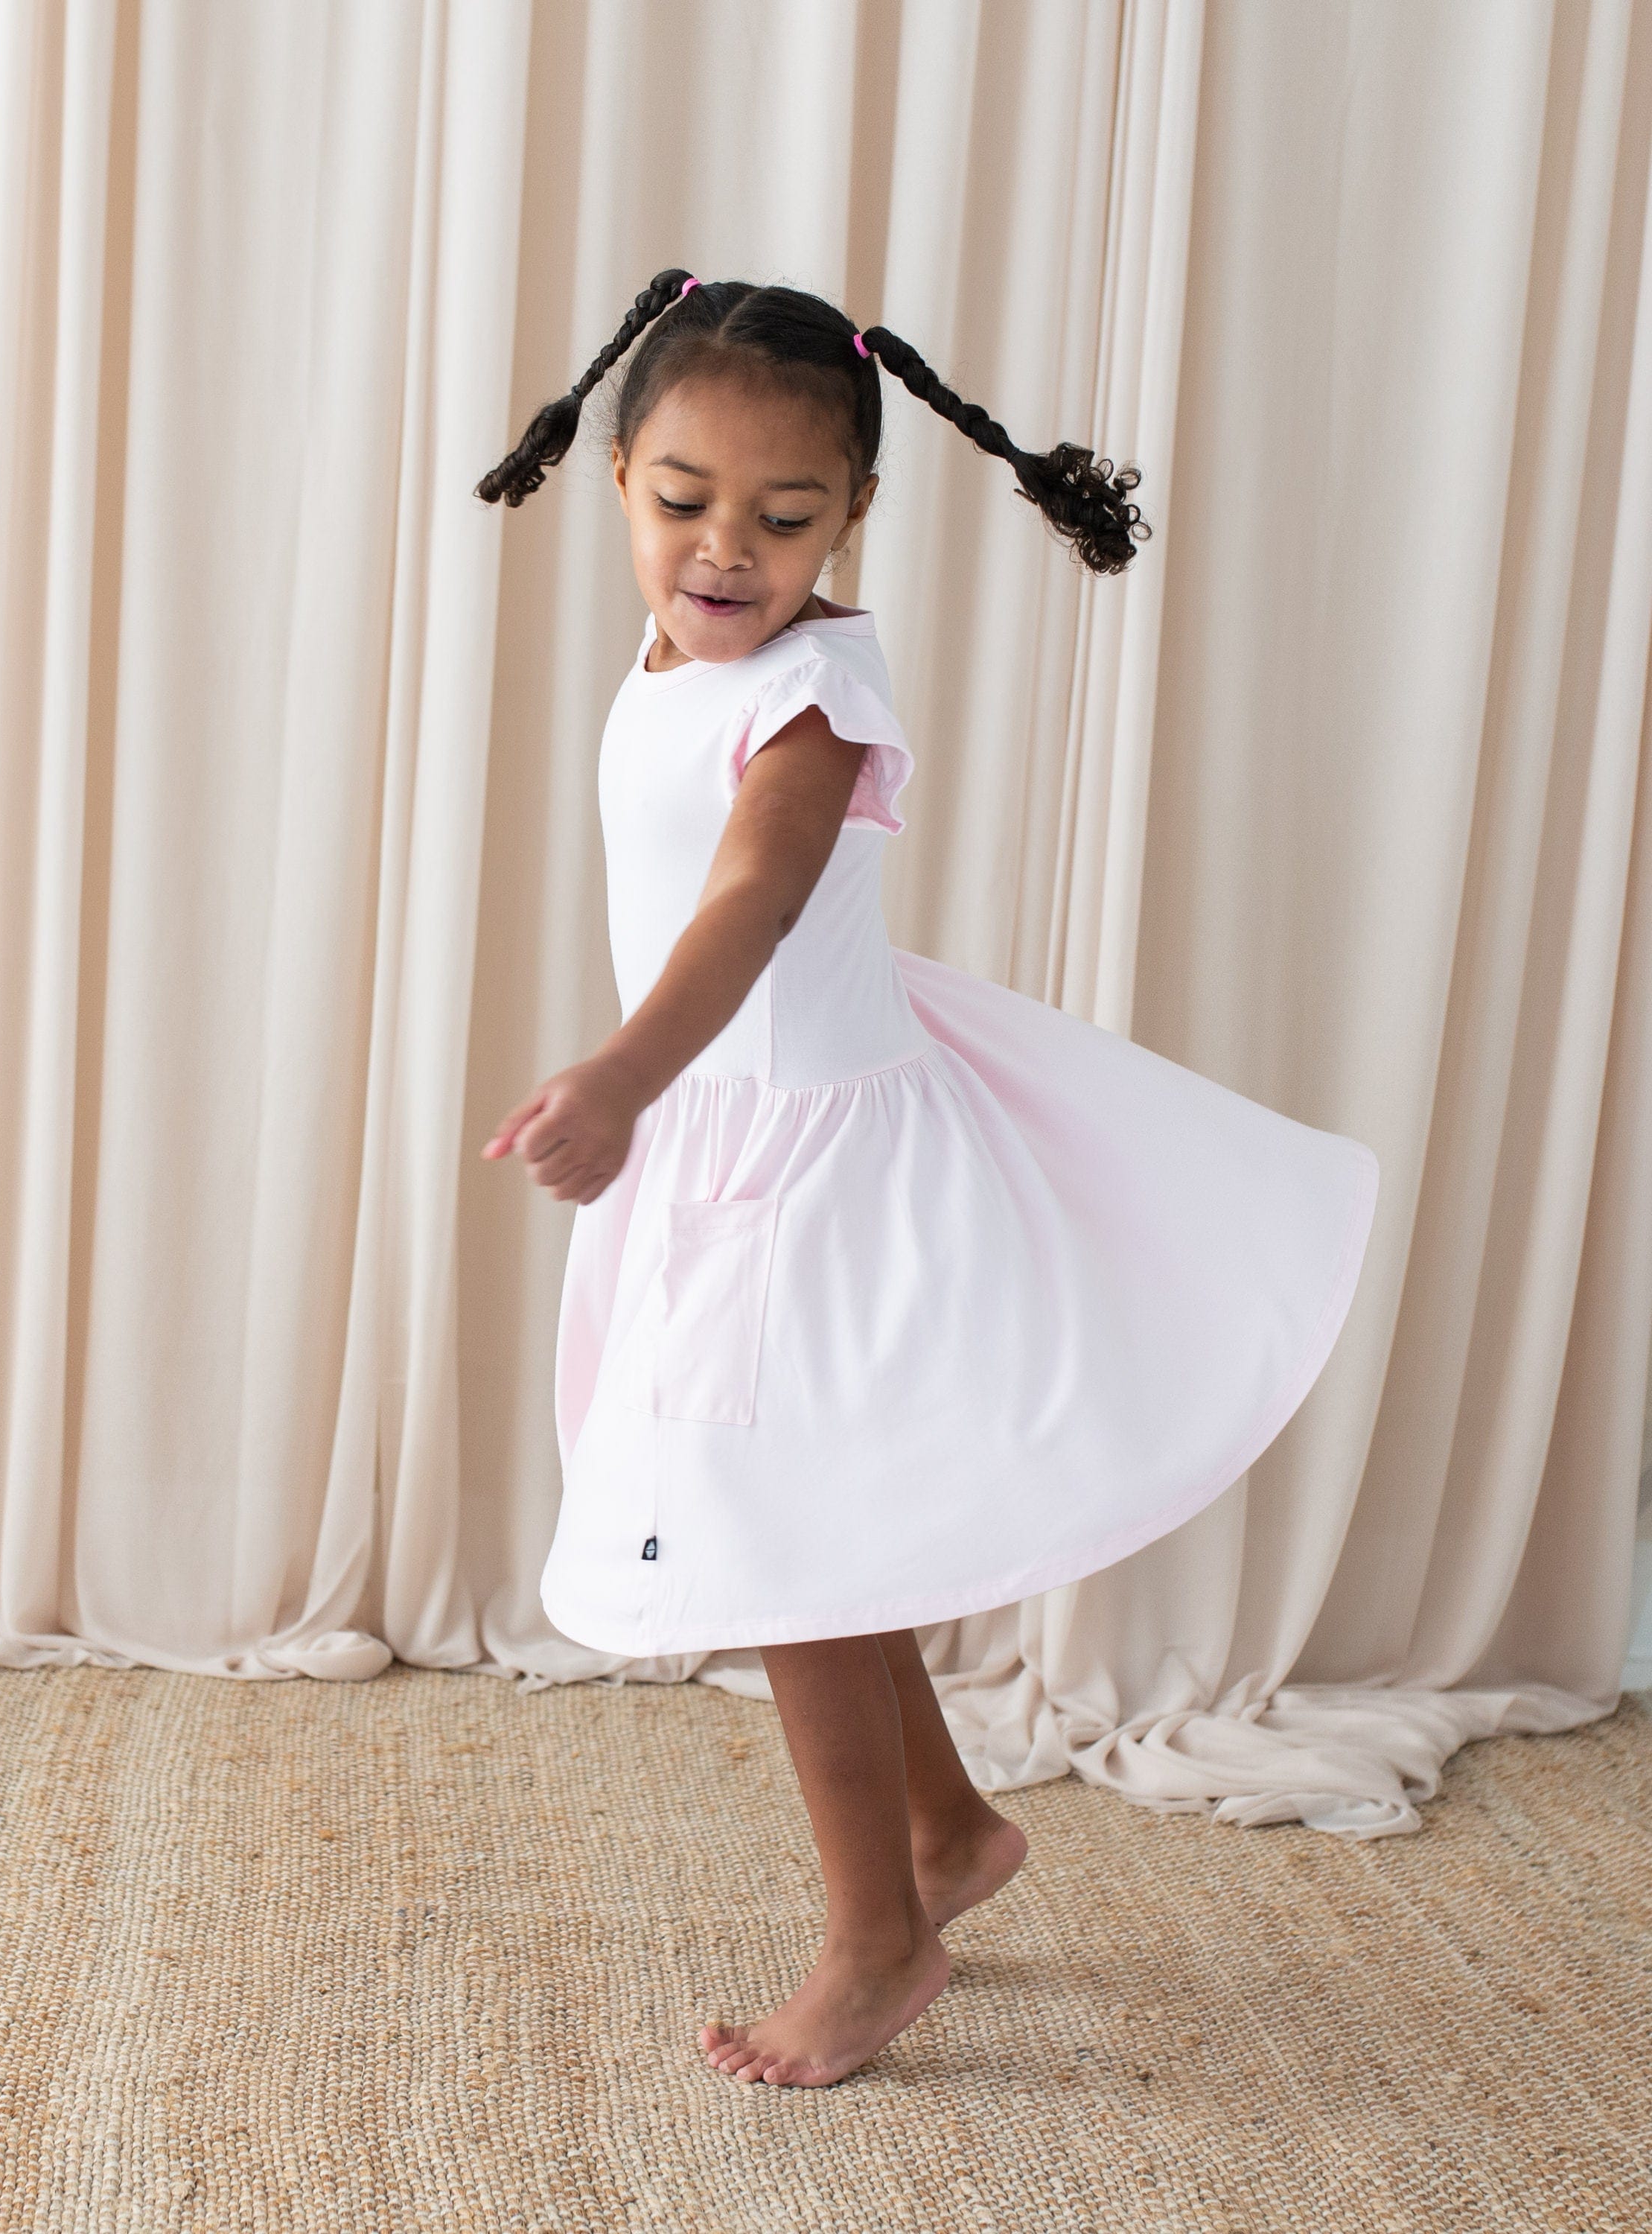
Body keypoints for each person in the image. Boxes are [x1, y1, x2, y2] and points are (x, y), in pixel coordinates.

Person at [476, 272, 1380, 2089]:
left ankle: (877, 1942)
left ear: (855, 517)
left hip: (793, 1159)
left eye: (784, 517)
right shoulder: (676, 651)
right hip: (734, 1140)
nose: (725, 549)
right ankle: (950, 1832)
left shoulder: (815, 703)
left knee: (780, 1549)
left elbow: (750, 903)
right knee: (810, 1522)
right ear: (617, 474)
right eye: (681, 501)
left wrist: (628, 1080)